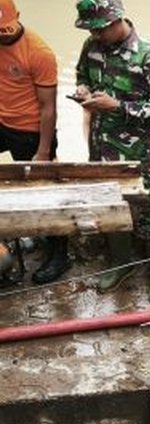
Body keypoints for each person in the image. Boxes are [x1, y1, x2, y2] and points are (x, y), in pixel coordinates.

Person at [74, 0, 150, 306]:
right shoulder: (91, 47)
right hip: (102, 151)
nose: (95, 34)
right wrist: (82, 90)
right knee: (110, 208)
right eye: (91, 29)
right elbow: (82, 75)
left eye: (99, 29)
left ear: (117, 21)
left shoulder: (148, 57)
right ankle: (122, 265)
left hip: (139, 154)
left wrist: (117, 106)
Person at [0, 0, 66, 284]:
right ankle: (11, 236)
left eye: (5, 30)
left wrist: (42, 152)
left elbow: (48, 107)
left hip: (31, 129)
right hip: (2, 122)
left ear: (18, 18)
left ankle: (60, 254)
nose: (2, 35)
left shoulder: (38, 52)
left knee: (44, 189)